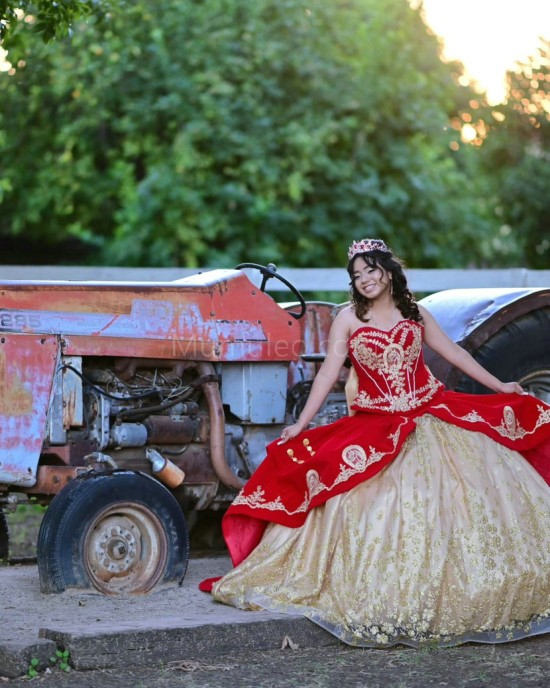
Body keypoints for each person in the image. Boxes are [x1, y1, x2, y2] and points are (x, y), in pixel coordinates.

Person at [203, 238, 550, 648]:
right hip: (376, 421)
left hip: (429, 411)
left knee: (460, 496)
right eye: (357, 275)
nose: (365, 279)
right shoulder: (348, 319)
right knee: (345, 488)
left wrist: (500, 385)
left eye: (371, 270)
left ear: (388, 270)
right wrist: (300, 423)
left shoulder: (416, 312)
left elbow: (455, 354)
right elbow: (329, 373)